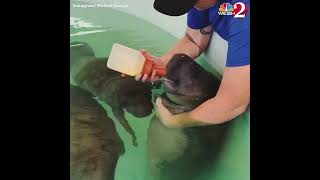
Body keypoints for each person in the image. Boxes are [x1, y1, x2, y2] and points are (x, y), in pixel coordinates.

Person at [135, 0, 250, 128]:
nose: (194, 8)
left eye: (194, 3)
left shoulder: (245, 20)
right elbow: (193, 39)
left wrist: (176, 121)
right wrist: (162, 63)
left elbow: (233, 104)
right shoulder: (207, 4)